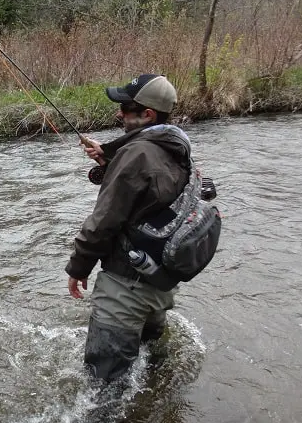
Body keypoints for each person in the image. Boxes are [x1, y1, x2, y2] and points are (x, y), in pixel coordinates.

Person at [65, 73, 192, 382]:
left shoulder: (135, 156)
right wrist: (110, 159)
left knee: (103, 389)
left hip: (125, 287)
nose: (118, 113)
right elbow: (152, 189)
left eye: (125, 107)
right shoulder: (177, 145)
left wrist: (78, 267)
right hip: (159, 285)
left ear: (147, 114)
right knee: (151, 368)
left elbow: (103, 222)